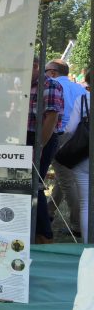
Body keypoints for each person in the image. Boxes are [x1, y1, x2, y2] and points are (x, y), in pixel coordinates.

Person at [45, 60, 87, 237]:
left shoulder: (51, 85)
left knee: (67, 181)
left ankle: (77, 225)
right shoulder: (81, 89)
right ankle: (50, 211)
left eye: (46, 70)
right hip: (80, 139)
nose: (44, 74)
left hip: (60, 134)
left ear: (53, 72)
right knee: (65, 178)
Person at [27, 58, 64, 244]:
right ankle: (33, 231)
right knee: (26, 185)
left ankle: (44, 235)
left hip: (42, 139)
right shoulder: (24, 84)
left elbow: (51, 119)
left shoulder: (50, 85)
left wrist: (38, 146)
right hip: (26, 137)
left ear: (35, 66)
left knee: (35, 185)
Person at [62, 71, 90, 243]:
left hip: (83, 156)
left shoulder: (84, 100)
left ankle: (87, 246)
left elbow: (70, 129)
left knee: (86, 203)